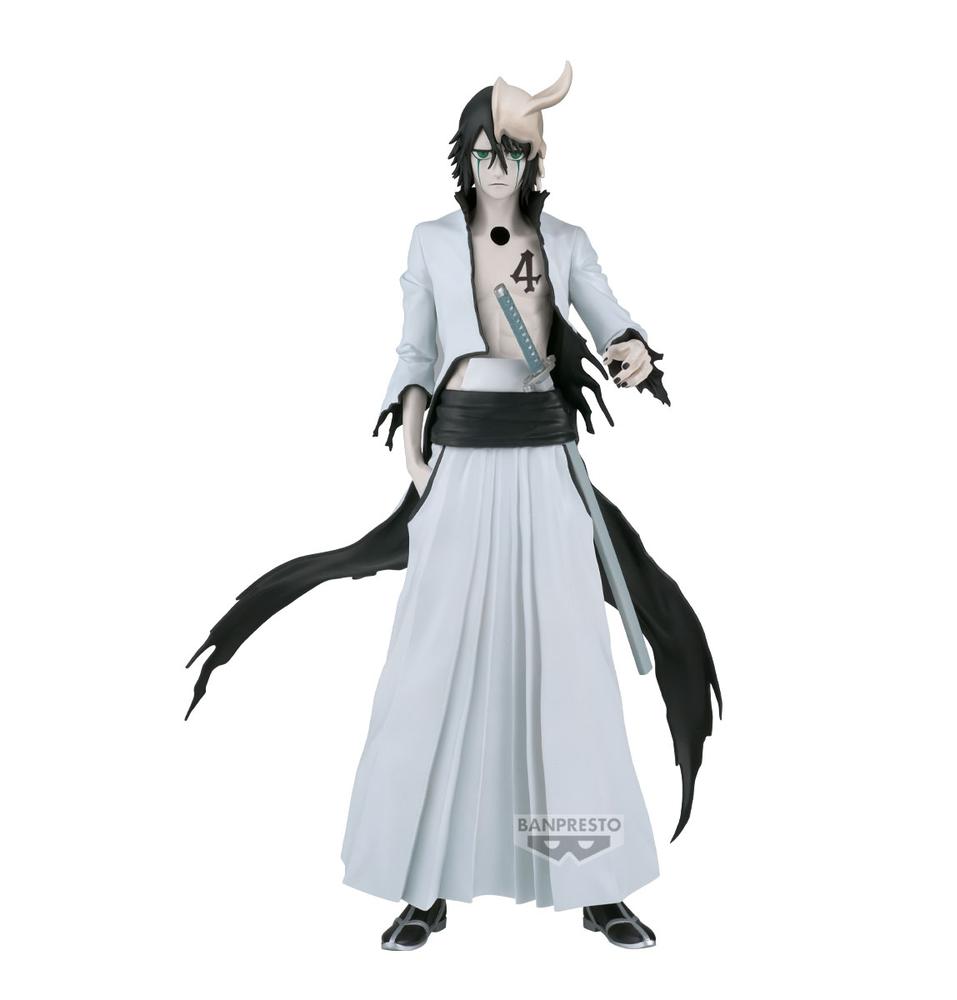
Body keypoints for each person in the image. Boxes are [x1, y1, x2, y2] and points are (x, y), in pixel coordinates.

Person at [184, 63, 721, 953]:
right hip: (459, 465)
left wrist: (631, 348)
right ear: (464, 157)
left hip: (545, 464)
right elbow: (413, 349)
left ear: (533, 160)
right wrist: (411, 425)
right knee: (432, 664)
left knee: (569, 670)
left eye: (513, 151)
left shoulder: (567, 243)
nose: (498, 166)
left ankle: (594, 884)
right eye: (484, 151)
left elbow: (610, 316)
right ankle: (423, 886)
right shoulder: (431, 241)